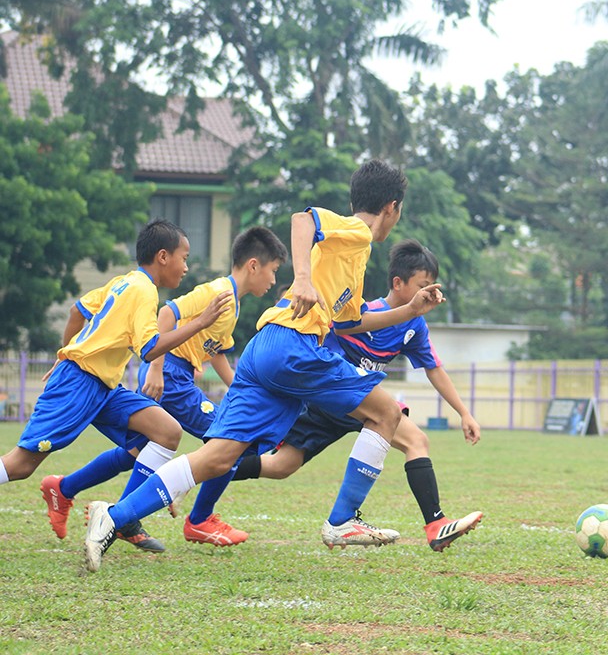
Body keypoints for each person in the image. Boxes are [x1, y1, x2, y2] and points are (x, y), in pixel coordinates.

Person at [83, 159, 444, 572]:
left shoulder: (354, 253)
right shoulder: (357, 230)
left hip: (266, 349)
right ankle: (342, 520)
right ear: (392, 207)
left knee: (218, 457)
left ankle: (114, 515)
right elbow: (303, 220)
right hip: (294, 347)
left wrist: (410, 310)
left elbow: (350, 322)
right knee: (386, 413)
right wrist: (302, 278)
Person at [40, 226, 287, 552]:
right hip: (170, 376)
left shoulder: (233, 305)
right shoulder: (218, 291)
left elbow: (216, 354)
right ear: (254, 265)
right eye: (273, 270)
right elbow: (167, 313)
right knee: (232, 441)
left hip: (175, 375)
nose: (273, 280)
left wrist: (241, 389)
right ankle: (199, 520)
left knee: (139, 450)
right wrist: (156, 368)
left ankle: (64, 489)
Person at [230, 239, 483, 551]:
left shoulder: (414, 326)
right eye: (422, 286)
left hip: (356, 402)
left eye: (432, 287)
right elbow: (324, 332)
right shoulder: (365, 312)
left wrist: (464, 413)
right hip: (331, 394)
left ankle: (213, 469)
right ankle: (430, 523)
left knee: (282, 466)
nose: (429, 293)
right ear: (398, 283)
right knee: (412, 437)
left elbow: (434, 368)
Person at [1, 220, 231, 538]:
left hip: (104, 387)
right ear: (163, 256)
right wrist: (201, 322)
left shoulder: (124, 282)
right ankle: (102, 509)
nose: (186, 267)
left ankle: (122, 517)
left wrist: (66, 352)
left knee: (166, 432)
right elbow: (150, 349)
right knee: (21, 465)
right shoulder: (143, 291)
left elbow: (77, 311)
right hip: (79, 382)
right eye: (184, 257)